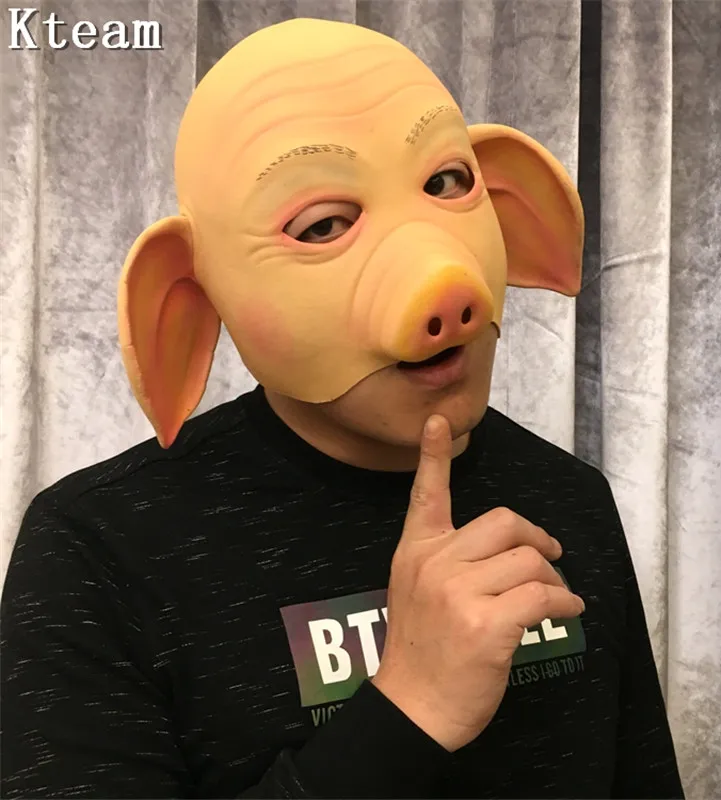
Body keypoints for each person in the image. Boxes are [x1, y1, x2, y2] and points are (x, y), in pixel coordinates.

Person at [0, 17, 684, 800]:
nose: (442, 281)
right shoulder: (98, 550)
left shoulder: (571, 500)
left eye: (445, 183)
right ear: (186, 295)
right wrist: (409, 711)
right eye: (323, 224)